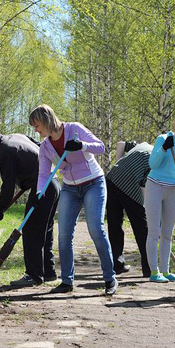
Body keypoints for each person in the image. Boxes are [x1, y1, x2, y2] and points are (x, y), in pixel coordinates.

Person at [28, 104, 117, 296]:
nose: (35, 130)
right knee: (64, 234)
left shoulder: (74, 129)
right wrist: (38, 193)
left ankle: (110, 278)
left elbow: (100, 147)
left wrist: (81, 145)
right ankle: (67, 281)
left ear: (45, 120)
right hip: (69, 188)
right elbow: (44, 174)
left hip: (93, 183)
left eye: (36, 125)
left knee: (96, 228)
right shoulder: (44, 147)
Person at [0, 121, 60, 287]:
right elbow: (39, 148)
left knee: (31, 229)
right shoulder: (16, 137)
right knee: (44, 229)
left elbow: (8, 185)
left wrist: (0, 209)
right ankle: (48, 273)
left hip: (43, 186)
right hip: (53, 182)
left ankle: (33, 275)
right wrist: (28, 178)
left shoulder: (4, 151)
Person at [145, 114, 175, 283]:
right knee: (154, 231)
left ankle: (165, 271)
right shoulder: (163, 139)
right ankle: (153, 272)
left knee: (167, 233)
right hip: (154, 186)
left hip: (172, 189)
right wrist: (164, 148)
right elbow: (153, 164)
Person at [105, 140, 153, 277]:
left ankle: (117, 264)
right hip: (128, 184)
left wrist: (119, 166)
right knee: (142, 227)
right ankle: (149, 267)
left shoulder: (142, 145)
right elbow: (144, 184)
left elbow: (120, 144)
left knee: (115, 224)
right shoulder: (157, 159)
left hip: (112, 178)